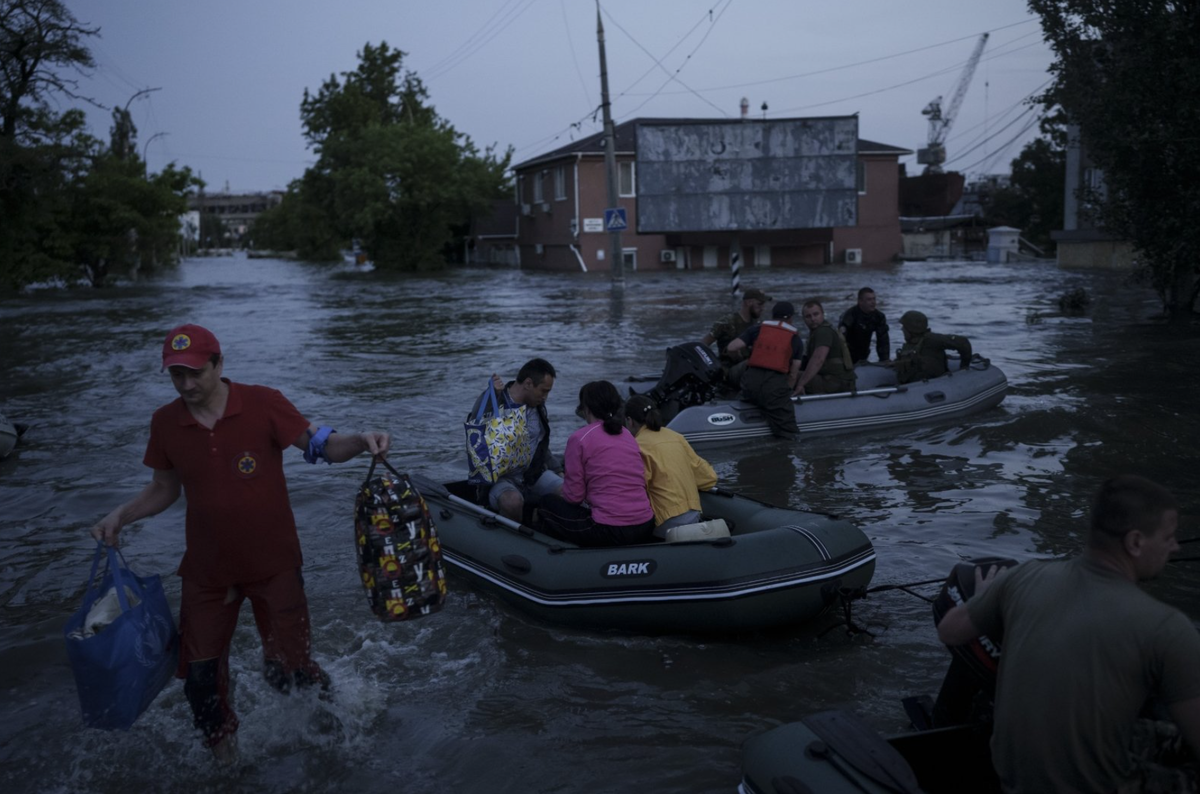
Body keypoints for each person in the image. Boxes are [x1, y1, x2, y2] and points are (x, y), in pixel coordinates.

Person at [89, 324, 390, 765]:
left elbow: (321, 446)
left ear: (218, 364)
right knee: (200, 681)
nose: (187, 385)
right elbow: (164, 488)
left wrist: (362, 442)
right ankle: (229, 767)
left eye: (195, 373)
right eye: (176, 375)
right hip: (208, 573)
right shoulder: (165, 422)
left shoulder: (263, 402)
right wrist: (121, 515)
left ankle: (340, 724)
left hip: (275, 565)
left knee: (292, 672)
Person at [937, 475, 1200, 793]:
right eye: (1169, 537)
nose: (1174, 546)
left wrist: (986, 598)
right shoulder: (1168, 628)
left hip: (1013, 780)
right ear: (1135, 543)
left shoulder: (1023, 577)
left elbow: (949, 630)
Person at [535, 381, 656, 546]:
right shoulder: (628, 435)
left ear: (586, 408)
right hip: (645, 524)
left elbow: (574, 497)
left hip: (609, 529)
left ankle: (554, 555)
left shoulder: (579, 438)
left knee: (546, 503)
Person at [468, 358, 563, 522]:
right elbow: (475, 421)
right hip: (500, 479)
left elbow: (540, 445)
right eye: (543, 391)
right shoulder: (496, 401)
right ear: (528, 383)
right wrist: (490, 395)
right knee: (512, 502)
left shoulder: (537, 407)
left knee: (568, 491)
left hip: (532, 475)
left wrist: (558, 471)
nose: (545, 397)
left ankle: (547, 528)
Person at [624, 394, 717, 533]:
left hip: (666, 521)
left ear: (630, 421)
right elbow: (709, 478)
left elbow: (635, 492)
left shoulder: (636, 446)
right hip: (693, 515)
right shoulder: (676, 437)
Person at [725, 301, 805, 439]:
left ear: (773, 316)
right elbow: (793, 373)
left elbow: (731, 347)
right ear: (791, 318)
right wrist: (787, 393)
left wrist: (739, 357)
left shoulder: (757, 329)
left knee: (747, 397)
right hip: (774, 387)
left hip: (750, 383)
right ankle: (784, 455)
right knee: (789, 433)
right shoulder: (796, 338)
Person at [700, 287, 770, 389]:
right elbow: (703, 344)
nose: (763, 308)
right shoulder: (727, 322)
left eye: (763, 304)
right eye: (760, 304)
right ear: (748, 302)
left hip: (749, 369)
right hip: (729, 371)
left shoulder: (757, 324)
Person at [794, 300, 856, 396]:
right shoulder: (821, 330)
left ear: (823, 314)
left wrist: (801, 384)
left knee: (793, 376)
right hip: (840, 381)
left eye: (816, 314)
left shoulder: (823, 332)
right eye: (808, 316)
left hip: (836, 383)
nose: (813, 319)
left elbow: (818, 360)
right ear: (804, 319)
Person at [891, 310, 972, 384]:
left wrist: (964, 368)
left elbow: (963, 342)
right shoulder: (909, 345)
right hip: (913, 387)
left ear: (911, 329)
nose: (902, 329)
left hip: (935, 384)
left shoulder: (931, 340)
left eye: (904, 327)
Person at [838, 286, 891, 364]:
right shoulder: (849, 316)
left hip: (864, 353)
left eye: (874, 299)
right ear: (860, 301)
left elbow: (883, 341)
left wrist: (884, 361)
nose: (873, 302)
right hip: (847, 354)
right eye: (869, 299)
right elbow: (840, 341)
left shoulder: (879, 317)